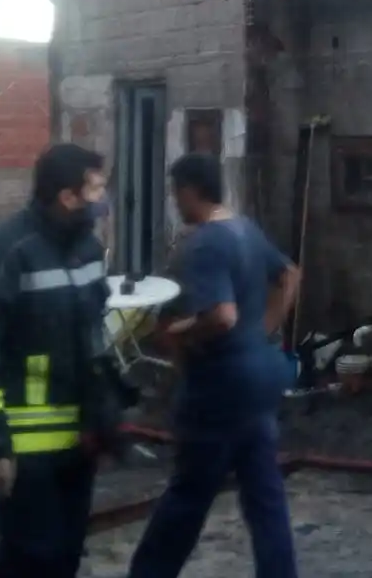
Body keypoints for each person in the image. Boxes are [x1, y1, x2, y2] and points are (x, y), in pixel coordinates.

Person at [0, 143, 118, 577]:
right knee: (31, 558)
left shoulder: (89, 250)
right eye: (96, 188)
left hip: (79, 443)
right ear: (68, 196)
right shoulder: (5, 252)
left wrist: (104, 419)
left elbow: (94, 340)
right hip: (25, 449)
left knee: (65, 557)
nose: (103, 198)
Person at [127, 152, 301, 578]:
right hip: (260, 380)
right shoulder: (245, 229)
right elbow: (290, 275)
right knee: (265, 498)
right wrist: (264, 330)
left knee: (187, 496)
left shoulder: (205, 243)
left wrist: (179, 333)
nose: (176, 203)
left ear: (190, 191)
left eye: (176, 194)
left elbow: (222, 316)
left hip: (220, 387)